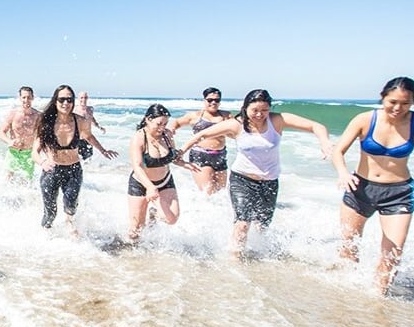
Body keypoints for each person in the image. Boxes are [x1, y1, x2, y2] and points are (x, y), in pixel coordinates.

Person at [332, 77, 414, 295]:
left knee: (393, 252)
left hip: (398, 193)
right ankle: (346, 299)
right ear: (382, 97)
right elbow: (338, 151)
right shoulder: (364, 120)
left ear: (413, 103)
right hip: (359, 188)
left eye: (405, 103)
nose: (398, 108)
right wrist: (343, 173)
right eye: (392, 102)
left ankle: (378, 299)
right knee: (349, 246)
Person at [180, 89, 332, 258]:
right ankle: (235, 259)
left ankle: (257, 257)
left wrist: (324, 142)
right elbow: (202, 134)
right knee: (243, 223)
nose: (260, 115)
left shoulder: (277, 120)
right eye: (255, 111)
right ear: (245, 108)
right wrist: (179, 154)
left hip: (269, 181)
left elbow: (316, 126)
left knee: (262, 226)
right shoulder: (235, 124)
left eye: (264, 110)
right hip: (242, 179)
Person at [32, 85, 118, 235]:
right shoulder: (46, 122)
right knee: (50, 213)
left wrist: (103, 150)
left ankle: (68, 221)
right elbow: (34, 152)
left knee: (71, 205)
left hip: (73, 170)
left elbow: (89, 136)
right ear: (55, 101)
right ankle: (44, 237)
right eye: (62, 99)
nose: (66, 103)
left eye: (69, 100)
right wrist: (43, 162)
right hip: (52, 170)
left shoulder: (80, 121)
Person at [127, 104, 199, 241]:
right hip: (141, 183)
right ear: (148, 119)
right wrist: (149, 187)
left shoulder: (167, 135)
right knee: (136, 229)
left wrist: (184, 164)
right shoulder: (139, 138)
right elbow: (137, 166)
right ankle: (135, 259)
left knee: (172, 218)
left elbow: (172, 157)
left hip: (165, 181)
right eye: (159, 123)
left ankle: (153, 213)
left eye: (165, 124)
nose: (162, 127)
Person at [169, 87, 233, 194]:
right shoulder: (195, 116)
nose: (213, 102)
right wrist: (172, 129)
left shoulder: (226, 116)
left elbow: (236, 131)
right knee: (208, 191)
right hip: (201, 155)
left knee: (221, 192)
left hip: (220, 155)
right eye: (210, 100)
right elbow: (177, 122)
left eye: (217, 100)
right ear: (204, 100)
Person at [0, 86, 41, 183]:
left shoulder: (38, 116)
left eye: (29, 97)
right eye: (24, 97)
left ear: (33, 98)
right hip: (14, 152)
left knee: (26, 183)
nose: (26, 100)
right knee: (8, 181)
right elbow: (1, 132)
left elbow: (41, 136)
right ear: (20, 98)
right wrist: (9, 141)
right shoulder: (13, 114)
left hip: (29, 154)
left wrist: (38, 150)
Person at [73, 91, 106, 161]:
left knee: (88, 160)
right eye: (81, 97)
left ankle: (90, 172)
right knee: (77, 161)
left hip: (88, 140)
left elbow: (91, 119)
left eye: (85, 97)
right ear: (78, 99)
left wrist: (99, 127)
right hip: (77, 140)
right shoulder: (74, 110)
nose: (83, 99)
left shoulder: (90, 109)